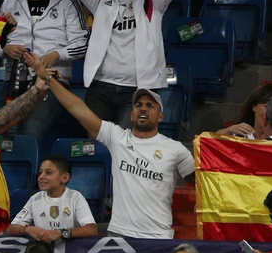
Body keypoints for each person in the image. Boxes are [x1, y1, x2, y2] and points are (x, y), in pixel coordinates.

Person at [36, 61, 194, 240]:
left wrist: (216, 138)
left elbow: (204, 180)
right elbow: (78, 109)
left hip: (158, 236)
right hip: (119, 234)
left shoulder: (175, 149)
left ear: (160, 116)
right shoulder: (117, 137)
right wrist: (48, 79)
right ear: (132, 114)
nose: (143, 108)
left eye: (150, 106)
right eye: (138, 105)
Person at [4, 157, 97, 253]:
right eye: (40, 172)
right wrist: (28, 229)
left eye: (48, 173)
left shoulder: (75, 197)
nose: (41, 177)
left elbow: (92, 229)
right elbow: (10, 229)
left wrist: (61, 233)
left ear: (64, 178)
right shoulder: (35, 199)